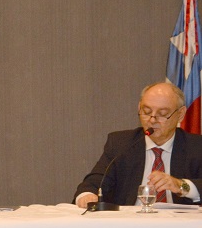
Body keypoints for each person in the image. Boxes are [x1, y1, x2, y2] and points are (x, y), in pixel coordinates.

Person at [74, 81, 202, 207]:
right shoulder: (121, 143)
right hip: (131, 219)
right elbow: (95, 181)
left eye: (162, 114)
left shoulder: (197, 146)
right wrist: (87, 195)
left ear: (180, 115)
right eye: (146, 112)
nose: (152, 120)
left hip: (178, 220)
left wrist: (180, 185)